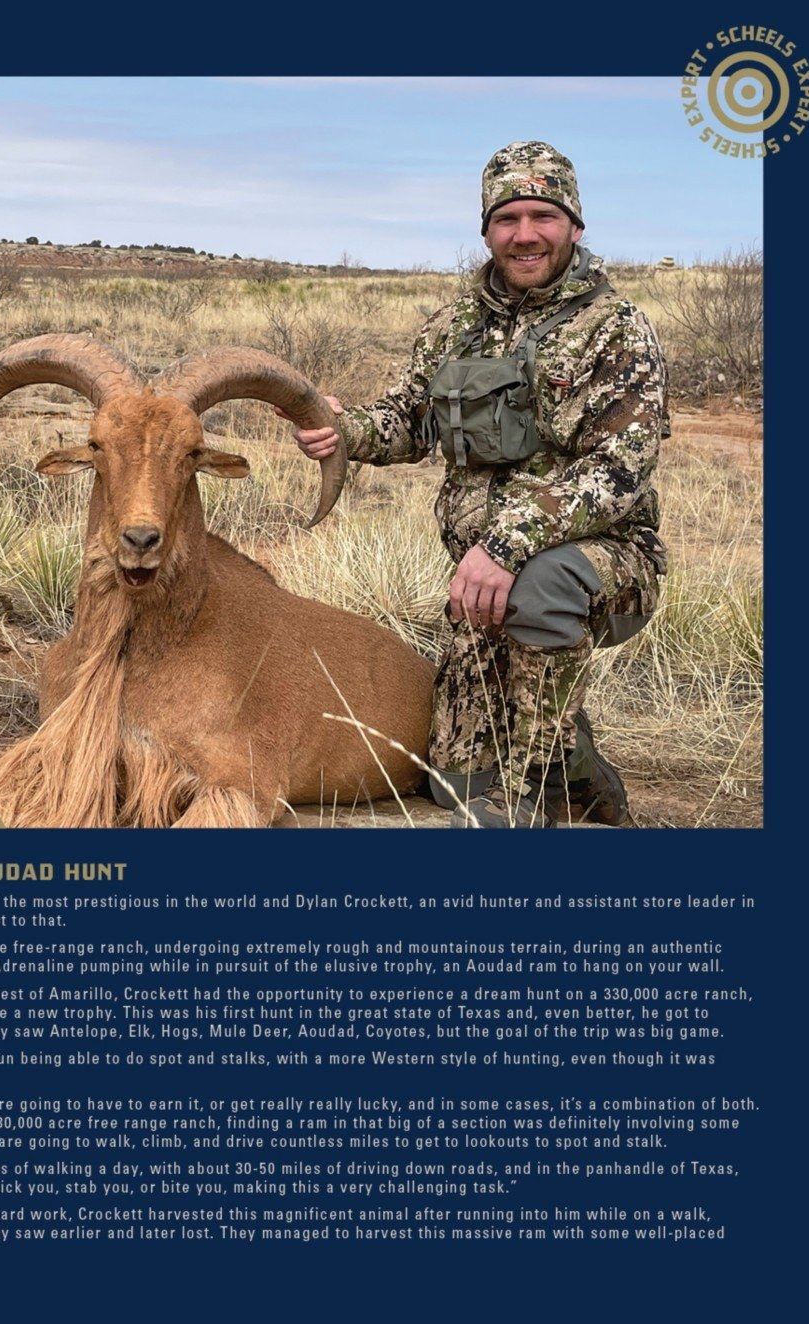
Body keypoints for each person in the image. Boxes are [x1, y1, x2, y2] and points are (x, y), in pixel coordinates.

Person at [285, 140, 668, 828]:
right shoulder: (456, 325)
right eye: (507, 218)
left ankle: (530, 798)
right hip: (485, 579)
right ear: (487, 230)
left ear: (574, 225)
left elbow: (618, 470)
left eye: (543, 216)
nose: (525, 234)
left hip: (601, 563)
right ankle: (575, 761)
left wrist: (504, 546)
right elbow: (408, 420)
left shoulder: (618, 329)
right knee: (451, 783)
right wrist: (345, 431)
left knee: (543, 586)